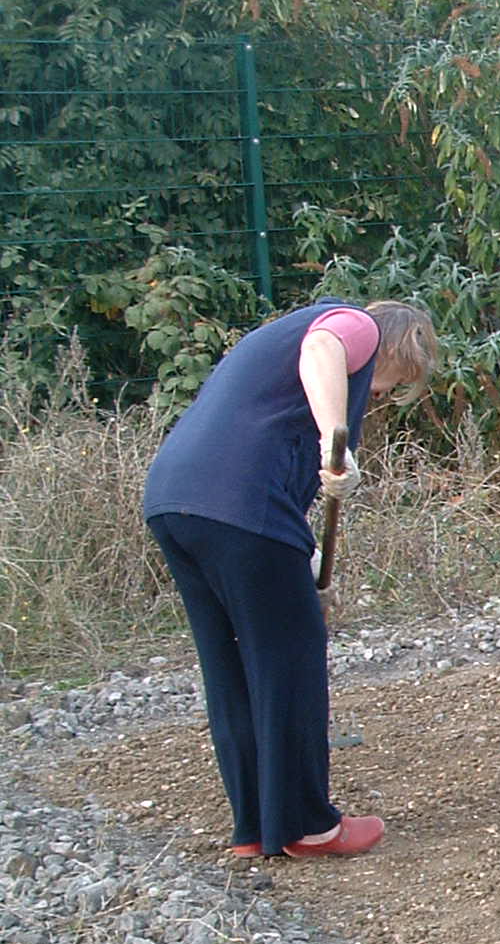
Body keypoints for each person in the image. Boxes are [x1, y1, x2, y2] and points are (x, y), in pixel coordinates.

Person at [142, 298, 437, 859]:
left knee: (232, 665)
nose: (384, 394)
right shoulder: (359, 326)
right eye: (397, 380)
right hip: (239, 507)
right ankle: (308, 826)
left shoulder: (275, 357)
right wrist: (335, 442)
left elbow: (265, 473)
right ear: (402, 347)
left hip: (176, 502)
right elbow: (324, 347)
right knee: (290, 660)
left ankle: (256, 827)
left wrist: (304, 567)